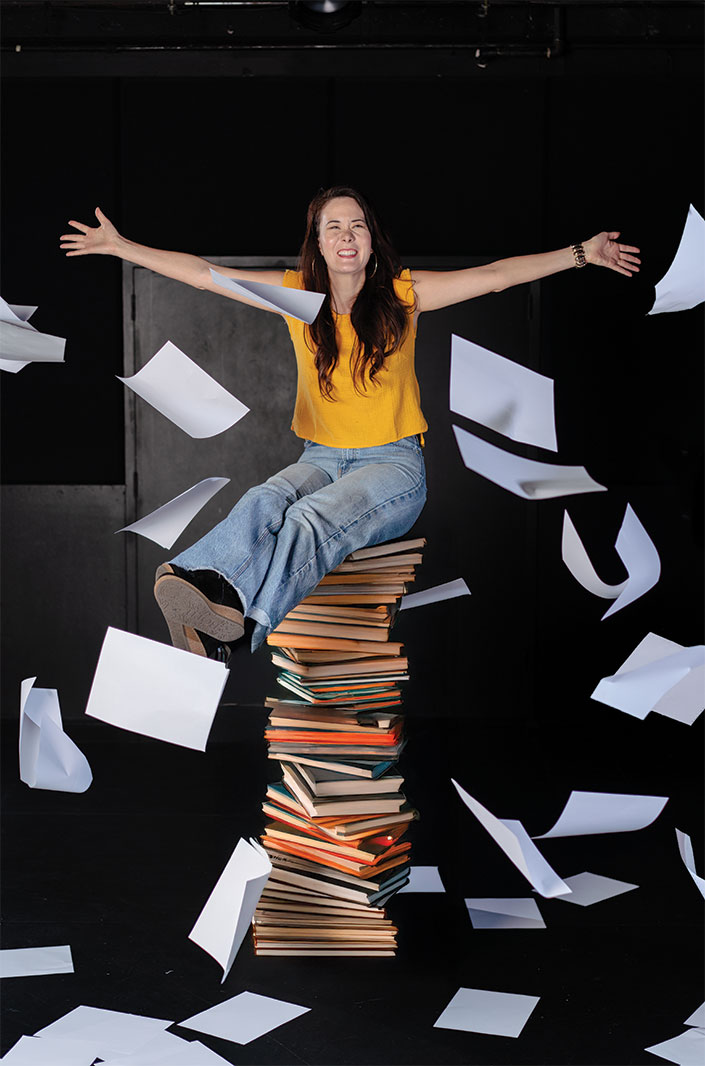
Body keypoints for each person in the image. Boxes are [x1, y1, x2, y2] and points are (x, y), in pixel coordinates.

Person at [61, 186, 640, 661]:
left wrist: (581, 253)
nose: (346, 235)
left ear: (371, 242)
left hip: (392, 465)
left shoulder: (403, 295)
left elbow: (495, 275)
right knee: (268, 498)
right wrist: (121, 247)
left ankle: (238, 631)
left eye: (356, 226)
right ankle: (199, 585)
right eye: (333, 226)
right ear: (317, 242)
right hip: (319, 456)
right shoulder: (295, 297)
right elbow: (206, 274)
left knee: (310, 517)